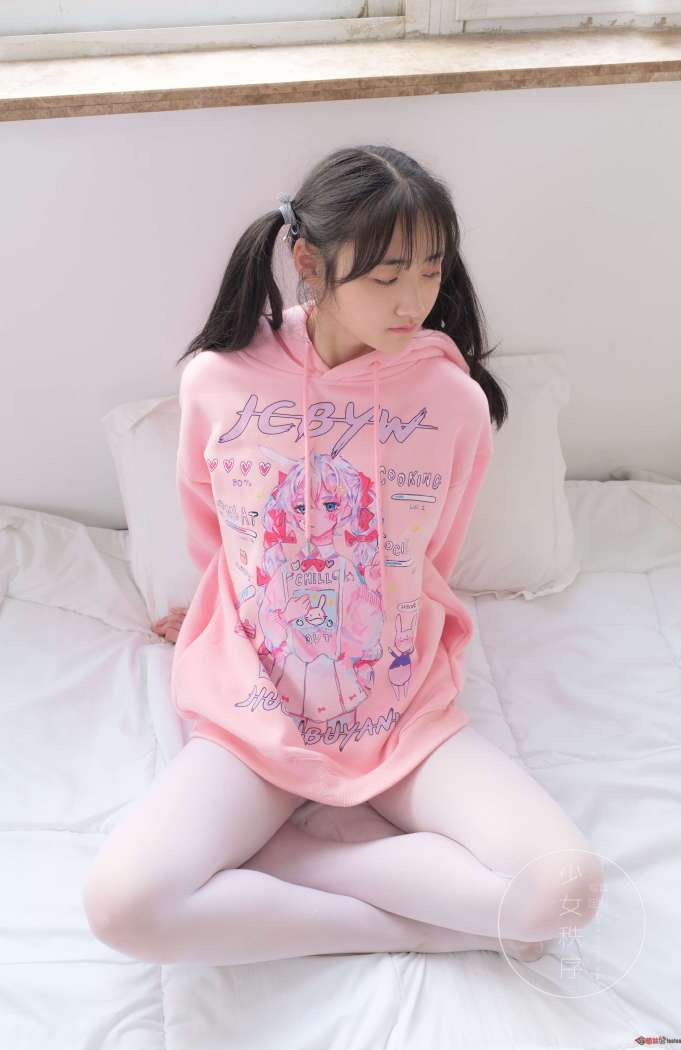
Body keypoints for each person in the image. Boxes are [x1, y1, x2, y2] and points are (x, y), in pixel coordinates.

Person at [82, 144, 603, 967]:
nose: (414, 301)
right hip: (253, 708)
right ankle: (414, 926)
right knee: (121, 907)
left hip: (399, 713)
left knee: (565, 893)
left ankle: (298, 856)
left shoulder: (453, 402)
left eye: (430, 271)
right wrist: (214, 614)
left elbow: (431, 554)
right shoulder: (218, 381)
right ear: (308, 264)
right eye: (387, 276)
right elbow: (214, 532)